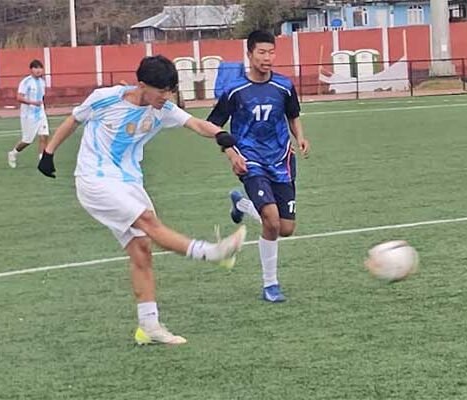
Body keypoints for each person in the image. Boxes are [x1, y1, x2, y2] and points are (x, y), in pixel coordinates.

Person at [37, 55, 247, 345]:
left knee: (142, 250)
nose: (166, 97)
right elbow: (74, 119)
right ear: (142, 85)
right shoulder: (105, 99)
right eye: (161, 90)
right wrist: (48, 153)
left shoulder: (163, 110)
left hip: (129, 182)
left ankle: (148, 326)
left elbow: (198, 125)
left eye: (170, 90)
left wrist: (224, 139)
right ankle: (211, 253)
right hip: (95, 180)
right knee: (148, 222)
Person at [207, 31, 310, 303]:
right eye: (262, 52)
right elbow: (213, 125)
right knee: (272, 221)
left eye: (271, 52)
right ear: (250, 54)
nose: (267, 57)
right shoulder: (235, 91)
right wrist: (231, 153)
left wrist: (299, 137)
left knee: (286, 228)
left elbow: (293, 115)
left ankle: (241, 205)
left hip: (281, 160)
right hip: (250, 159)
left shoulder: (284, 86)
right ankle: (270, 284)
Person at [8, 59, 49, 168]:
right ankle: (13, 153)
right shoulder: (26, 82)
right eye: (36, 68)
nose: (38, 70)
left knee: (44, 136)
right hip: (28, 115)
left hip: (40, 113)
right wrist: (33, 103)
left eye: (40, 68)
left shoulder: (42, 82)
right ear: (31, 70)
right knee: (27, 140)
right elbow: (19, 97)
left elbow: (42, 97)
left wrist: (42, 105)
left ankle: (42, 160)